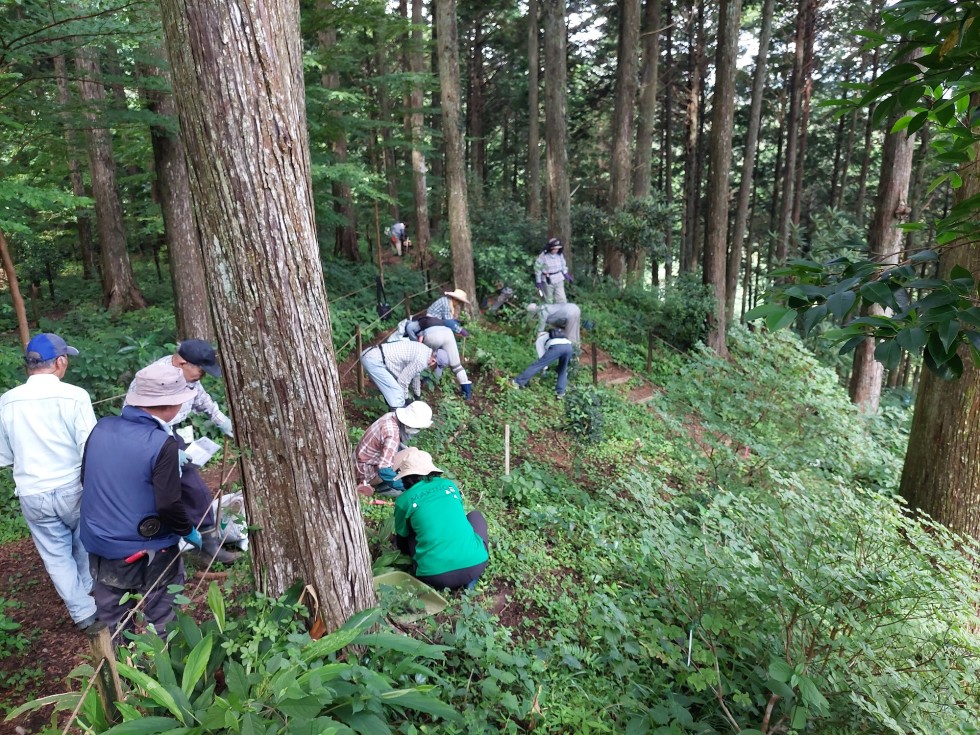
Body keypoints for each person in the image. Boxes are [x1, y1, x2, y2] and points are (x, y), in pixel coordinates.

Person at [81, 363, 202, 635]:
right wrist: (188, 530)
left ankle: (119, 671)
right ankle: (159, 672)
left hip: (101, 545)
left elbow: (85, 479)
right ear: (171, 405)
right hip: (148, 547)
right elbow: (168, 504)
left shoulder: (102, 428)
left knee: (112, 618)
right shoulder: (162, 443)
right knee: (160, 612)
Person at [0, 333, 99, 631]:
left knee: (56, 555)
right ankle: (87, 590)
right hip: (74, 487)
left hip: (32, 492)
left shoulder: (6, 401)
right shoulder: (75, 396)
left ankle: (83, 612)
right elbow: (91, 446)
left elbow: (4, 456)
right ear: (60, 362)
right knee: (82, 541)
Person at [128, 340, 237, 564]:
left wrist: (222, 422)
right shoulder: (153, 376)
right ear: (181, 362)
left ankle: (205, 544)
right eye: (199, 369)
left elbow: (202, 399)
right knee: (181, 490)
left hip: (174, 433)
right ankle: (181, 547)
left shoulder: (191, 378)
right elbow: (133, 413)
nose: (201, 376)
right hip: (150, 436)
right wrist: (161, 445)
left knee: (191, 487)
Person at [391, 448, 489, 591]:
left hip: (433, 576)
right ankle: (469, 578)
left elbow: (402, 539)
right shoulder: (449, 486)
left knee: (411, 529)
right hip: (476, 566)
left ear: (405, 476)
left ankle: (441, 573)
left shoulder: (404, 500)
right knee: (475, 516)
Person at [354, 401, 433, 497]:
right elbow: (384, 469)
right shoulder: (392, 434)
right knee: (412, 454)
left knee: (412, 451)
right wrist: (405, 487)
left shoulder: (390, 416)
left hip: (358, 463)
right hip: (365, 473)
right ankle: (382, 487)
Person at [360, 340, 449, 409]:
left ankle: (393, 415)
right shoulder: (421, 361)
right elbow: (402, 381)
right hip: (374, 360)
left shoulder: (425, 351)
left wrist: (417, 396)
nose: (432, 368)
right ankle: (396, 424)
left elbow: (416, 375)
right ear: (434, 361)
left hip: (372, 354)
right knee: (398, 395)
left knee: (395, 392)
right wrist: (406, 400)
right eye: (435, 366)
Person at [512, 327, 575, 398]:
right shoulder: (556, 335)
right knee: (562, 369)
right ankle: (560, 392)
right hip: (569, 347)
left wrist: (544, 369)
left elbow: (541, 359)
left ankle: (517, 382)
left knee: (537, 365)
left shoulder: (540, 340)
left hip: (557, 347)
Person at [420, 325, 473, 400]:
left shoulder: (414, 324)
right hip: (447, 333)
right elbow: (449, 322)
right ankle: (467, 394)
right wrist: (460, 330)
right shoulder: (438, 319)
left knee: (427, 360)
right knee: (457, 366)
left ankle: (425, 384)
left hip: (431, 336)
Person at [534, 238, 572, 304]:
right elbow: (538, 269)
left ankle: (561, 313)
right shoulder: (543, 256)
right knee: (548, 300)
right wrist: (538, 281)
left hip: (559, 279)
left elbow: (563, 265)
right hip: (547, 280)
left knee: (562, 299)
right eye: (555, 248)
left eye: (558, 248)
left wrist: (566, 274)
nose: (556, 250)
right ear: (550, 248)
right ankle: (549, 313)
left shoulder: (560, 255)